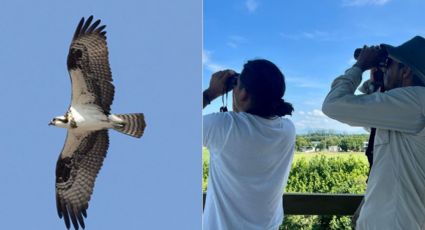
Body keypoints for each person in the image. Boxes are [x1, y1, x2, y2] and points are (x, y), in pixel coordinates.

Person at [322, 36, 425, 229]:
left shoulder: (415, 101)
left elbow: (333, 105)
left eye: (390, 64)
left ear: (405, 71)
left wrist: (359, 66)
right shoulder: (408, 110)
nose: (385, 68)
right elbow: (371, 124)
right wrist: (376, 83)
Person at [202, 59, 295, 230]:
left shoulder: (222, 126)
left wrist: (210, 93)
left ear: (244, 94)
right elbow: (248, 124)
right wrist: (240, 96)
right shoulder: (288, 130)